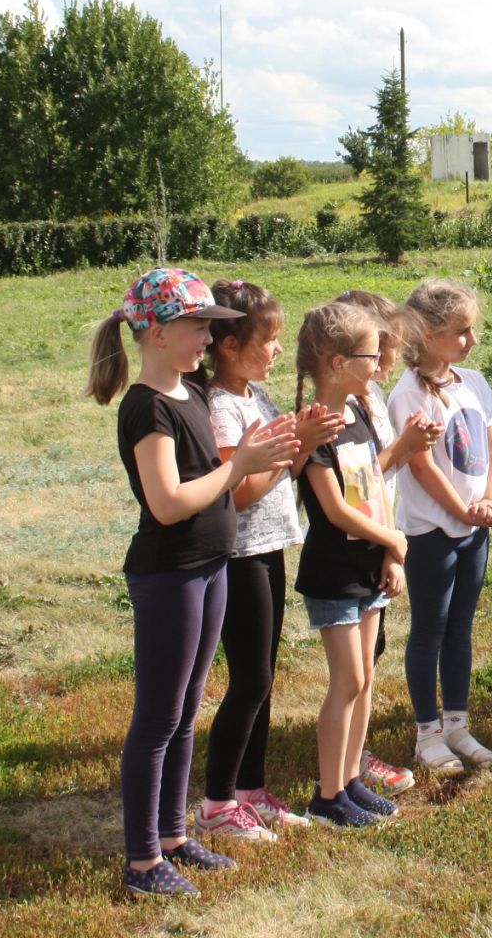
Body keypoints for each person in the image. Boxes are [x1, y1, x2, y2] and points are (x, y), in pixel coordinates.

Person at [87, 268, 296, 898]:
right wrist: (242, 470)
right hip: (169, 574)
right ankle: (143, 859)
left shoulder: (193, 398)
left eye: (209, 326)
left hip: (209, 567)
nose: (207, 337)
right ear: (154, 332)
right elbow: (169, 503)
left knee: (185, 714)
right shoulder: (147, 407)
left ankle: (174, 837)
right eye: (197, 325)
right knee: (157, 718)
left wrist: (249, 459)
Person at [196, 279, 341, 842]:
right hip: (238, 556)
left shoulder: (256, 397)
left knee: (264, 678)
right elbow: (237, 490)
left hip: (269, 548)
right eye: (269, 339)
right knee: (249, 679)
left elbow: (284, 463)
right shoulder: (221, 407)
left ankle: (250, 791)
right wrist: (290, 448)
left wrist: (303, 442)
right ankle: (216, 801)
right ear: (229, 346)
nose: (278, 349)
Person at [292, 301, 409, 829]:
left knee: (364, 681)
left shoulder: (360, 411)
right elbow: (336, 508)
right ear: (337, 364)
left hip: (370, 564)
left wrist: (389, 551)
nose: (381, 360)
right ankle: (327, 794)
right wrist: (393, 538)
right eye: (370, 353)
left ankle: (351, 781)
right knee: (348, 680)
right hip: (335, 570)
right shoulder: (314, 428)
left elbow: (373, 491)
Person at [388, 279, 492, 775]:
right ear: (429, 335)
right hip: (432, 531)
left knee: (460, 628)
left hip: (475, 528)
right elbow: (419, 464)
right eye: (462, 332)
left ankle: (457, 722)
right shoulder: (409, 392)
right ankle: (427, 733)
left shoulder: (473, 382)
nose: (472, 341)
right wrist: (461, 510)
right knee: (430, 629)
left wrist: (489, 503)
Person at [333, 289, 441, 798]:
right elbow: (354, 485)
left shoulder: (370, 397)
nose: (393, 355)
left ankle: (354, 759)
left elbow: (378, 485)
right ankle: (344, 769)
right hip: (355, 545)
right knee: (353, 670)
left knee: (368, 661)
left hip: (379, 539)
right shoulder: (345, 403)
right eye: (387, 344)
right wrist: (403, 447)